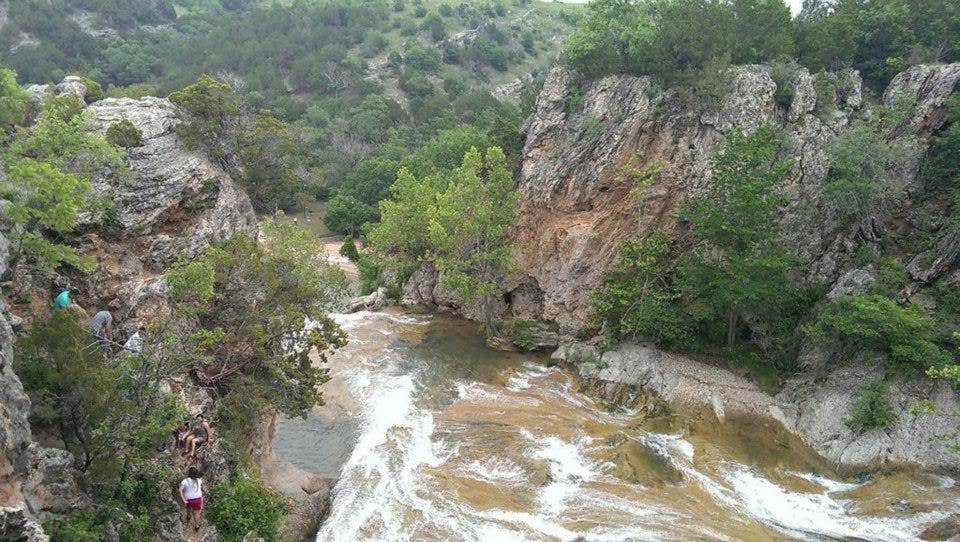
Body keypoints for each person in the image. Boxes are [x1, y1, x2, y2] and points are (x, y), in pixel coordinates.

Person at [179, 467, 204, 532]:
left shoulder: (185, 481)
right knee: (196, 513)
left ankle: (188, 516)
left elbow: (180, 490)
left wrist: (183, 499)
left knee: (188, 507)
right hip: (197, 499)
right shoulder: (199, 480)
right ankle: (197, 526)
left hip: (189, 499)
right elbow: (201, 475)